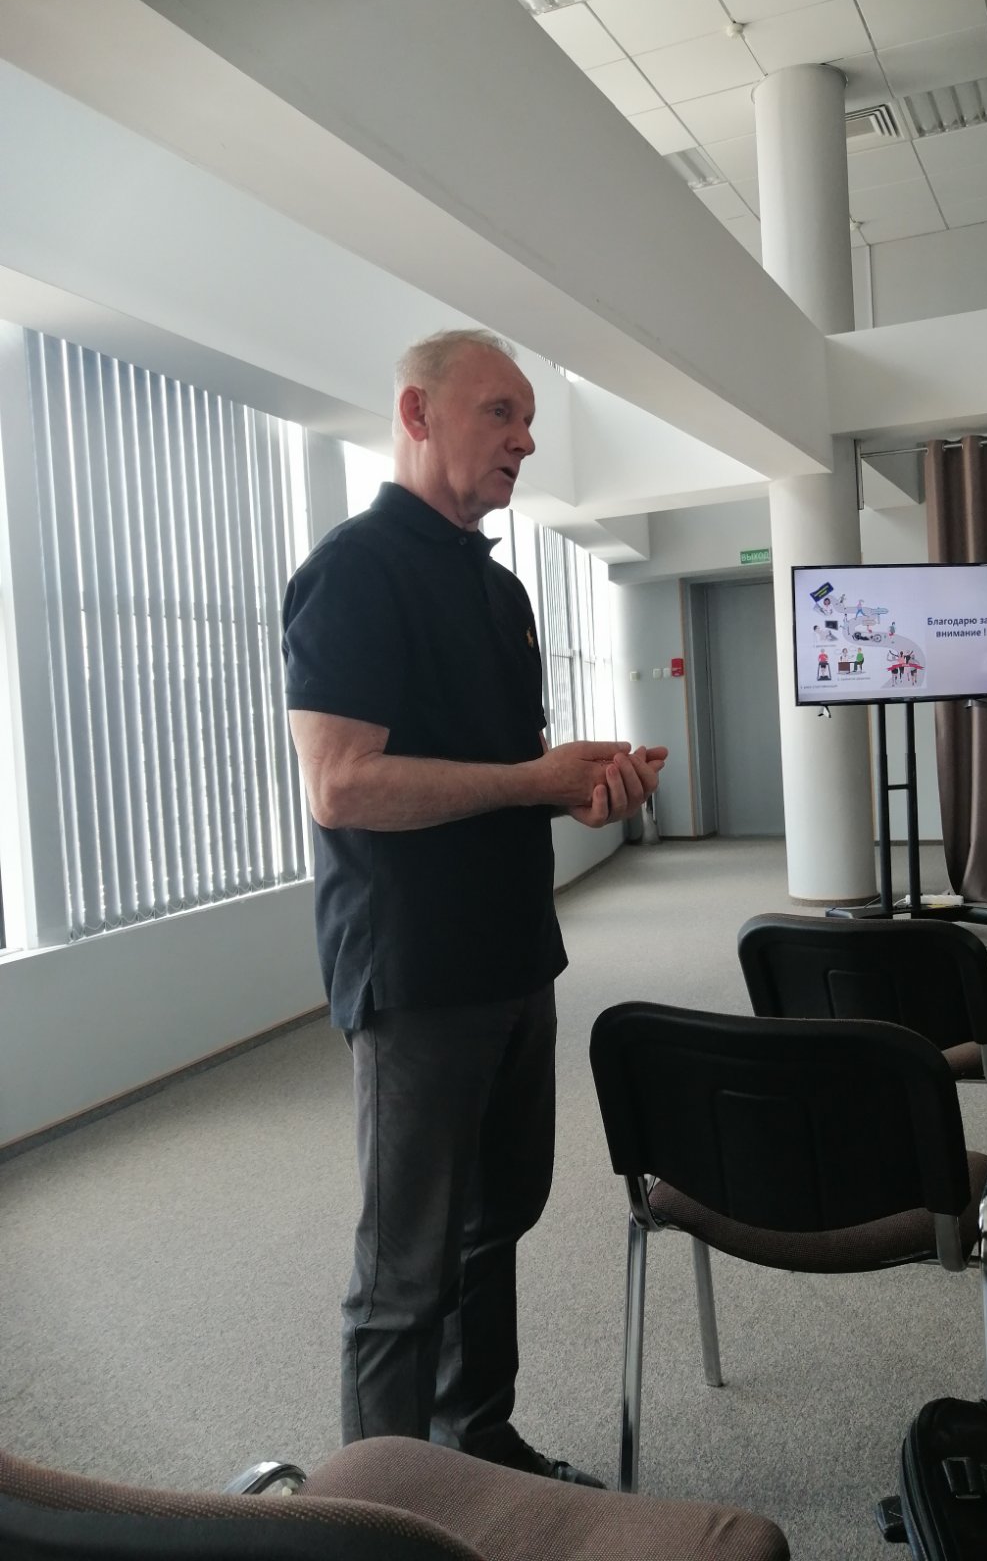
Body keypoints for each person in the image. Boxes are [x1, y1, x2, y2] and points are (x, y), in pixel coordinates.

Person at [281, 329, 665, 1487]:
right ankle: (382, 1517)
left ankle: (476, 1446)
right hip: (415, 971)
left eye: (529, 417)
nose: (526, 439)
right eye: (501, 412)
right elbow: (341, 785)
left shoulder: (500, 591)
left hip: (515, 957)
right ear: (417, 413)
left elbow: (503, 779)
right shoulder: (353, 573)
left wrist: (581, 791)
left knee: (496, 1224)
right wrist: (531, 780)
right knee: (406, 1269)